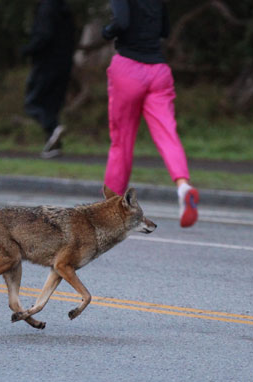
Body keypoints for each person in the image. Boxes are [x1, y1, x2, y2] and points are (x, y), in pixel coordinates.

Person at [101, 0, 199, 228]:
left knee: (121, 142)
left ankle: (111, 207)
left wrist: (106, 31)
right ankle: (183, 187)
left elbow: (122, 22)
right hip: (159, 71)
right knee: (168, 134)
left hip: (128, 69)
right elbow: (164, 30)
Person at [21, 0, 76, 159]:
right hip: (64, 63)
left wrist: (27, 50)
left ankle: (53, 127)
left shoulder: (47, 8)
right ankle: (53, 146)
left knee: (33, 103)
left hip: (46, 63)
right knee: (52, 105)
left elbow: (44, 35)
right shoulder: (65, 9)